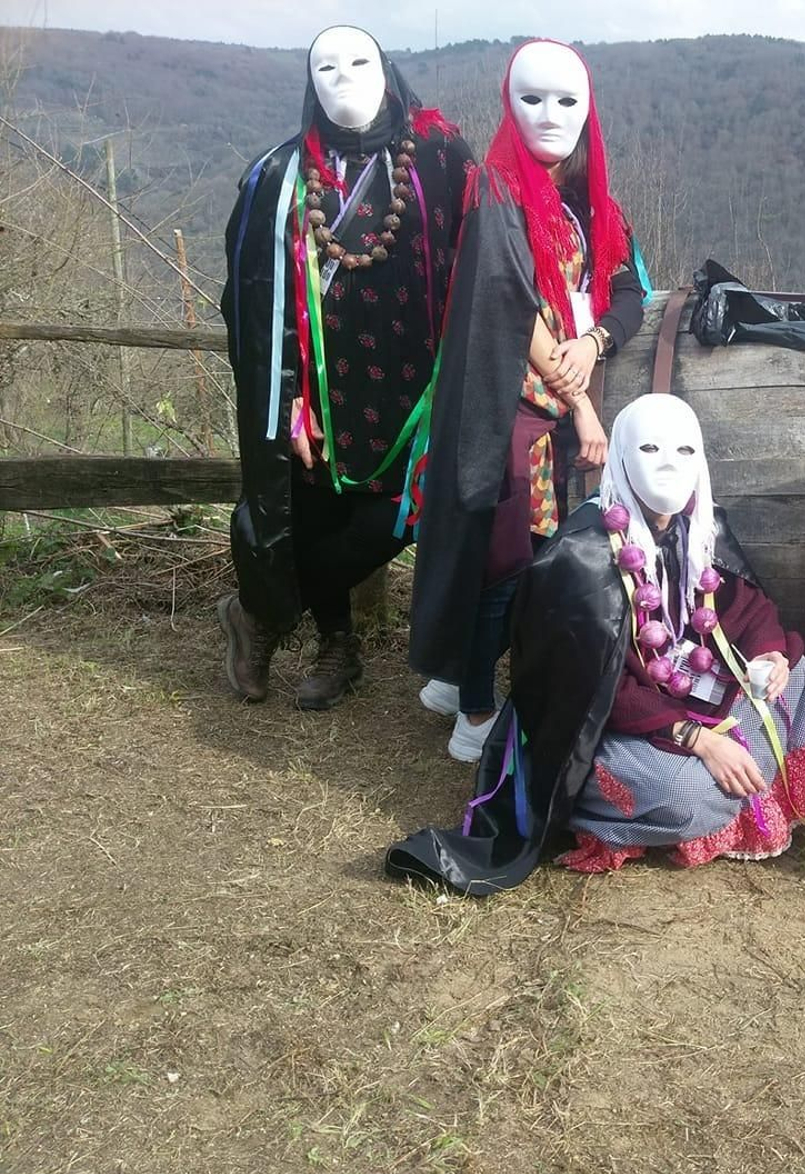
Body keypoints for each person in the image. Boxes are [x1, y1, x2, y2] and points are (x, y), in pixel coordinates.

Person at [387, 394, 805, 893]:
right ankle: (595, 809)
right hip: (611, 725)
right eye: (651, 449)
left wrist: (768, 652)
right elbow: (588, 691)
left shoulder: (700, 525)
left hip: (683, 687)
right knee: (690, 796)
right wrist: (696, 740)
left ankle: (736, 779)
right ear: (623, 457)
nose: (670, 466)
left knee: (796, 676)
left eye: (684, 450)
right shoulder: (581, 557)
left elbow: (745, 605)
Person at [403, 39, 647, 762]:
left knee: (513, 552)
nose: (548, 115)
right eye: (532, 99)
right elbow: (512, 304)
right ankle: (475, 714)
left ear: (588, 111)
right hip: (506, 406)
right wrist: (582, 402)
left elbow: (628, 291)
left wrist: (595, 341)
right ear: (509, 104)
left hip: (549, 405)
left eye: (567, 101)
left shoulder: (590, 206)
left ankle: (455, 679)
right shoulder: (497, 191)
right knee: (505, 560)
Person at [217, 25, 471, 709]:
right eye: (325, 67)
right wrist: (288, 398)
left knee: (393, 519)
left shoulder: (439, 155)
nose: (344, 77)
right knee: (316, 513)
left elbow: (479, 252)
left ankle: (262, 612)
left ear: (386, 71)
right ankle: (338, 645)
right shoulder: (281, 177)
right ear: (309, 82)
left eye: (359, 62)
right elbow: (253, 299)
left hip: (416, 393)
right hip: (323, 396)